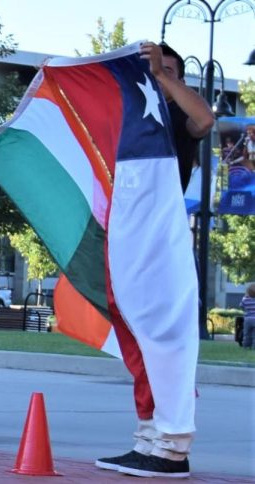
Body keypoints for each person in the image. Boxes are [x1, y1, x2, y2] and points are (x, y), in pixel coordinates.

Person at [93, 42, 214, 478]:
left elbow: (205, 120)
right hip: (124, 231)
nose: (157, 74)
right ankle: (150, 438)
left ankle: (173, 445)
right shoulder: (123, 115)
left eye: (170, 69)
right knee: (135, 336)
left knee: (163, 336)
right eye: (148, 68)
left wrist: (165, 77)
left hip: (162, 235)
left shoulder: (175, 116)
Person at [241, 284, 255, 350]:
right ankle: (253, 347)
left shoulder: (245, 299)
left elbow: (241, 306)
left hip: (247, 319)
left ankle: (245, 346)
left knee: (246, 334)